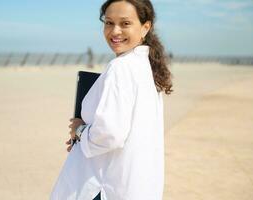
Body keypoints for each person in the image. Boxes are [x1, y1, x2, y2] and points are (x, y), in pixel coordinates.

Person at [50, 0, 173, 199]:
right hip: (135, 186)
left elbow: (110, 134)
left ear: (145, 27)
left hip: (103, 187)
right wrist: (85, 138)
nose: (115, 31)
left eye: (125, 24)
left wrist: (80, 131)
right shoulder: (147, 68)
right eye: (109, 23)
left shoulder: (121, 68)